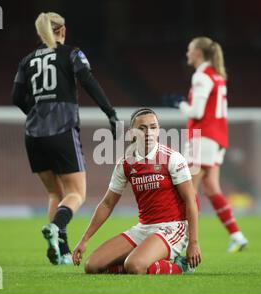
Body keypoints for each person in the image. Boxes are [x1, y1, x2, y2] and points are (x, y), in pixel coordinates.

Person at [11, 12, 119, 265]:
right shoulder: (71, 53)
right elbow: (88, 80)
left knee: (54, 194)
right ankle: (56, 227)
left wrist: (36, 112)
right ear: (63, 30)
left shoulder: (26, 61)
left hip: (33, 135)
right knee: (76, 194)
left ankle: (62, 253)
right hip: (62, 130)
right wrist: (110, 112)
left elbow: (16, 98)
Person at [72, 108, 201, 274]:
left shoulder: (172, 158)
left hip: (173, 227)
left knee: (134, 265)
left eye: (153, 127)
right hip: (144, 228)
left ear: (159, 130)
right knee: (92, 266)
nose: (148, 132)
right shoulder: (126, 163)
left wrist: (194, 242)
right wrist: (84, 239)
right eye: (142, 128)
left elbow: (191, 200)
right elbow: (107, 203)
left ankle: (181, 266)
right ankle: (147, 261)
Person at [163, 37, 248, 252]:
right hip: (218, 138)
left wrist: (179, 103)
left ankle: (181, 245)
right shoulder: (217, 76)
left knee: (187, 190)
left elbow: (197, 112)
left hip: (203, 137)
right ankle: (237, 236)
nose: (187, 54)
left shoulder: (201, 76)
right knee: (212, 188)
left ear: (199, 53)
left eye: (189, 50)